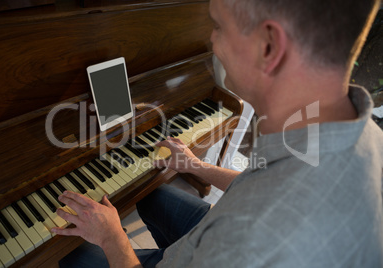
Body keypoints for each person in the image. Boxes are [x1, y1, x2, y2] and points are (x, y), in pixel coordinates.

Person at [53, 0, 383, 267]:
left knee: (72, 253)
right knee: (148, 189)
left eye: (218, 25)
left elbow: (257, 227)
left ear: (268, 47)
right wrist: (197, 166)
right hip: (205, 237)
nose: (211, 39)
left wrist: (113, 239)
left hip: (212, 247)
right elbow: (262, 184)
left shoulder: (254, 242)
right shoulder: (355, 130)